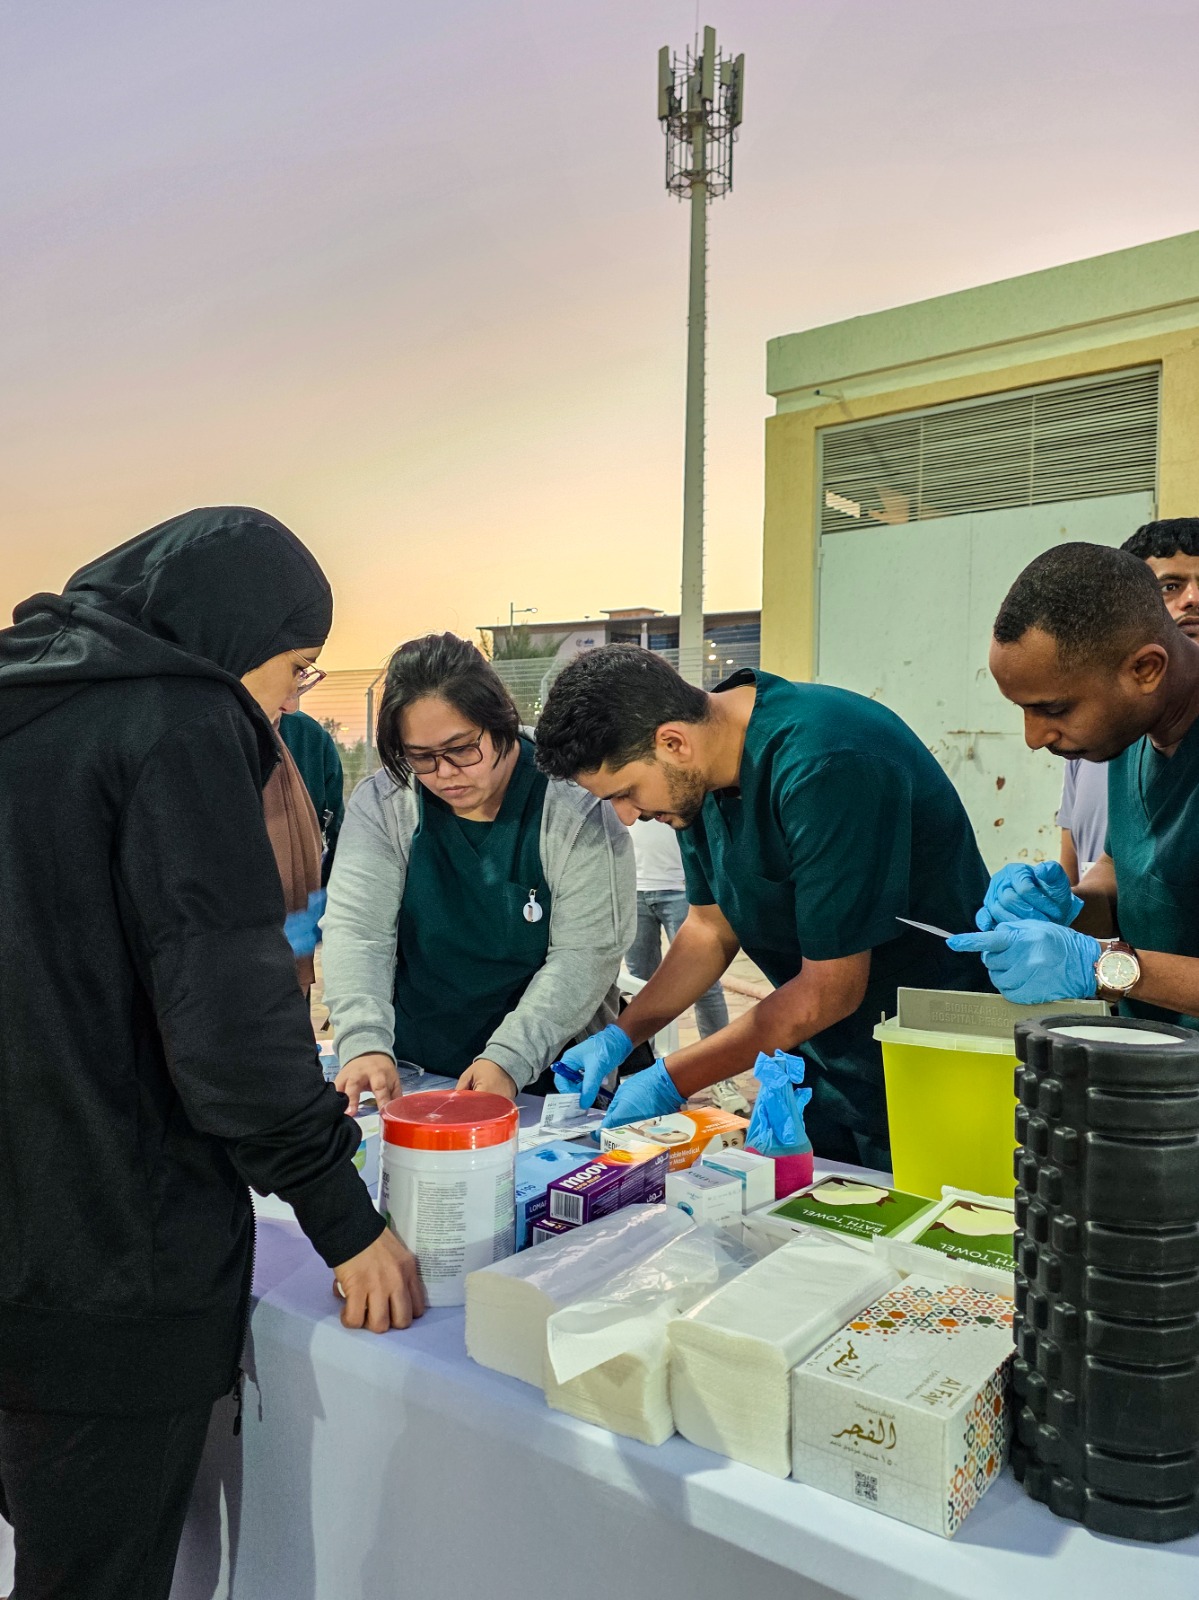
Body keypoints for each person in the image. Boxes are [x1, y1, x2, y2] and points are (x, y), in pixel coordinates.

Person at [0, 507, 423, 1600]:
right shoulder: (175, 724)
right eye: (292, 669)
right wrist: (342, 1212)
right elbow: (228, 1020)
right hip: (110, 1258)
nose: (288, 701)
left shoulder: (28, 704)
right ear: (233, 634)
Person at [534, 646, 991, 1168]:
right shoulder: (699, 778)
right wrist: (622, 1034)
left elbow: (830, 990)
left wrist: (671, 1077)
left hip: (933, 1061)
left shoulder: (825, 763)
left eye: (627, 792)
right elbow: (708, 930)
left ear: (673, 742)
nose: (628, 817)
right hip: (824, 1061)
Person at [322, 633, 635, 1110]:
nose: (445, 773)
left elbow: (585, 955)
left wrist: (510, 1059)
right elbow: (358, 931)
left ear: (500, 722)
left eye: (461, 749)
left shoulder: (573, 806)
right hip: (415, 1067)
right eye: (422, 757)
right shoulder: (385, 804)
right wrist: (363, 1040)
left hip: (548, 1074)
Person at [948, 541, 1199, 1027]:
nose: (1034, 737)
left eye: (1055, 709)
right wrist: (1070, 907)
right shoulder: (1133, 737)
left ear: (1145, 669)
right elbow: (1122, 868)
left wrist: (1103, 967)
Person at [1056, 518, 1199, 884]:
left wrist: (1103, 947)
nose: (1192, 599)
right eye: (1170, 586)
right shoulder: (1105, 735)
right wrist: (1057, 909)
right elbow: (1096, 866)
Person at [279, 694, 345, 882]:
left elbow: (335, 833)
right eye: (294, 670)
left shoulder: (309, 735)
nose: (291, 704)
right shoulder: (307, 734)